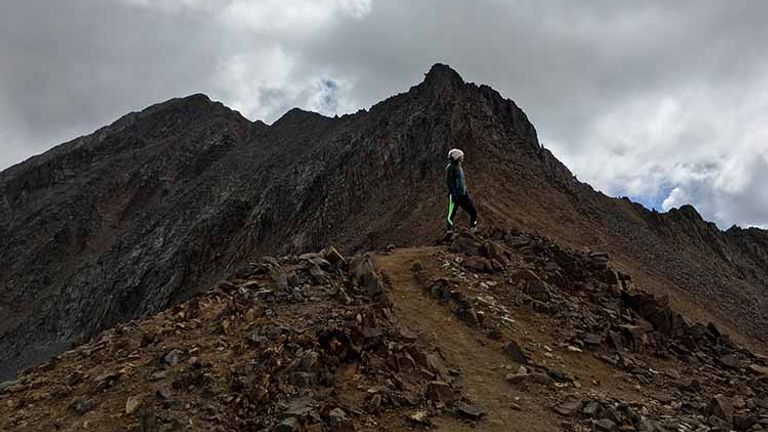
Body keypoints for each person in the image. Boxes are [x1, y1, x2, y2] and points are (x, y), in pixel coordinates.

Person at [445, 148, 478, 233]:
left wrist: (465, 191)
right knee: (451, 214)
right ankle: (449, 230)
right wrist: (453, 193)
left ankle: (473, 227)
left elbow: (461, 181)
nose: (462, 159)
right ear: (456, 157)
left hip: (463, 194)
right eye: (461, 157)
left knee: (473, 211)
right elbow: (449, 182)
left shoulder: (459, 166)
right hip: (455, 195)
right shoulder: (450, 168)